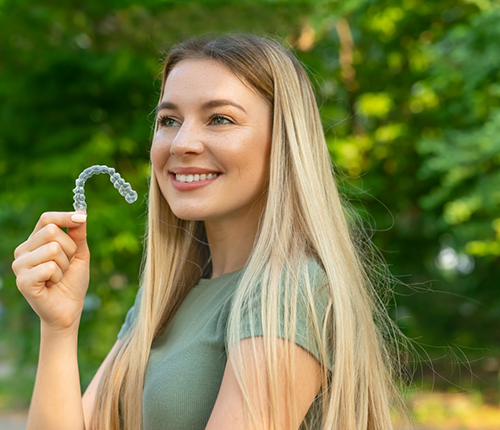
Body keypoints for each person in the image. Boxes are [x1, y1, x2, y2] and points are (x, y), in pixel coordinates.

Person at [12, 34, 407, 430]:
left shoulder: (286, 291)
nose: (182, 143)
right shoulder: (162, 300)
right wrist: (60, 327)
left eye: (219, 118)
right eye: (169, 120)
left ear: (283, 142)